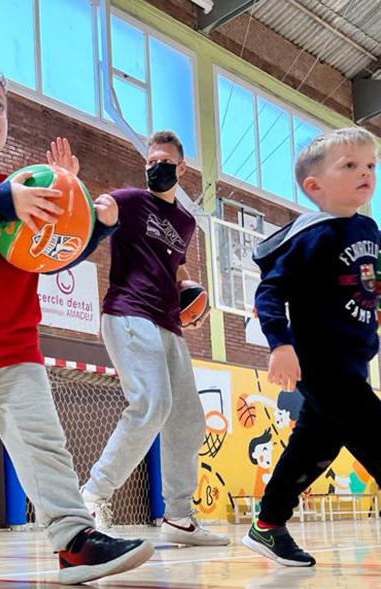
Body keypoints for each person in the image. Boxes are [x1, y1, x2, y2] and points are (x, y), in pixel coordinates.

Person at [0, 66, 153, 585]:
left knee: (46, 446)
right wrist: (6, 200)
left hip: (17, 345)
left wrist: (91, 225)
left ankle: (73, 540)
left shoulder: (20, 189)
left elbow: (52, 256)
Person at [245, 127, 381, 571]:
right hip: (322, 365)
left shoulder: (367, 228)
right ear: (315, 186)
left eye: (370, 166)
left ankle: (267, 525)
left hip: (354, 363)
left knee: (313, 450)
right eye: (350, 166)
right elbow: (270, 292)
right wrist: (279, 344)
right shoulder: (313, 237)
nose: (365, 173)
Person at [80, 131, 229, 547]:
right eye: (150, 162)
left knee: (188, 419)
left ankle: (179, 517)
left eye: (163, 161)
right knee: (152, 404)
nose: (155, 168)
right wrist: (98, 209)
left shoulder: (186, 221)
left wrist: (190, 289)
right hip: (128, 312)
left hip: (169, 323)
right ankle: (92, 496)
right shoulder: (129, 200)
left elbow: (173, 268)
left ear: (181, 168)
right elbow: (101, 210)